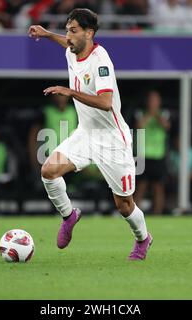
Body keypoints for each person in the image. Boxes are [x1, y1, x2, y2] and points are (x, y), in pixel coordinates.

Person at [28, 8, 153, 260]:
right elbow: (66, 42)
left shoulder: (101, 61)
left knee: (124, 205)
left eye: (73, 31)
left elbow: (106, 102)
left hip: (112, 140)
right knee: (49, 171)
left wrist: (71, 92)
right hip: (85, 134)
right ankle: (69, 216)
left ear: (89, 33)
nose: (68, 36)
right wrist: (47, 33)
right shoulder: (72, 50)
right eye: (67, 30)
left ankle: (143, 239)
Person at [134, 90, 170, 215]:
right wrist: (150, 114)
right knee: (140, 186)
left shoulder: (164, 114)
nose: (153, 103)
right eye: (151, 100)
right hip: (142, 155)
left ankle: (157, 213)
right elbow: (139, 126)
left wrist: (156, 115)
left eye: (156, 100)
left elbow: (166, 126)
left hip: (158, 155)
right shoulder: (140, 113)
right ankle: (134, 215)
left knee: (158, 187)